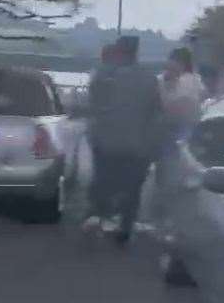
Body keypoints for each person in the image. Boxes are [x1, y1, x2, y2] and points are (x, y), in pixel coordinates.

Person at [86, 36, 162, 244]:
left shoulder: (104, 75)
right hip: (137, 146)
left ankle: (101, 219)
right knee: (132, 189)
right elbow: (156, 113)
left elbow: (92, 106)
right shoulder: (149, 79)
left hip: (106, 143)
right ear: (136, 52)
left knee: (104, 182)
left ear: (119, 50)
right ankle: (125, 227)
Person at [153, 48, 204, 226]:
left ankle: (168, 208)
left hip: (182, 128)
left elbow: (180, 104)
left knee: (175, 165)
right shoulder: (165, 79)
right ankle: (167, 208)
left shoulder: (190, 81)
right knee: (169, 166)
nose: (172, 65)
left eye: (175, 61)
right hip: (174, 129)